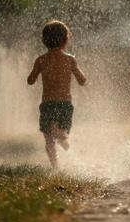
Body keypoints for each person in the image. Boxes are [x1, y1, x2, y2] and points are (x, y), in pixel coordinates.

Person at [27, 20, 87, 168]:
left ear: (44, 40)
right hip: (65, 104)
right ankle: (61, 136)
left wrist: (35, 74)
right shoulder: (70, 59)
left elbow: (30, 80)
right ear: (66, 40)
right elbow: (82, 79)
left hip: (47, 103)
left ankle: (55, 166)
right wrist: (82, 80)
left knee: (48, 139)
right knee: (62, 130)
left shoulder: (41, 60)